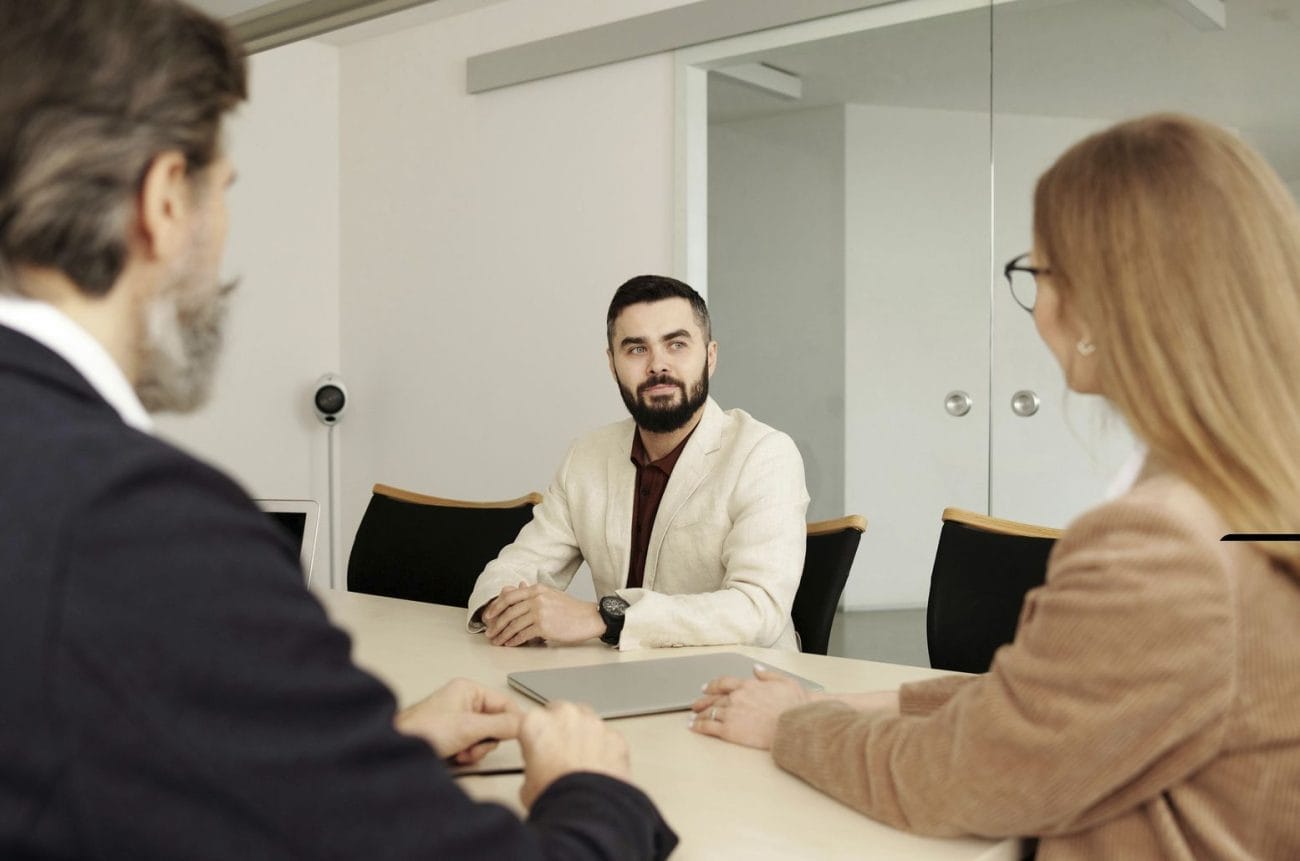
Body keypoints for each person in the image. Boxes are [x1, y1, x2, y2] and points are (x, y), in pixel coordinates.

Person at [0, 2, 675, 858]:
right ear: (165, 199)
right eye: (224, 195)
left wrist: (357, 752)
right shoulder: (141, 524)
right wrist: (597, 791)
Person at [688, 114, 1300, 859]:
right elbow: (1059, 704)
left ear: (1102, 296)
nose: (1036, 302)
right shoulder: (1246, 491)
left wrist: (790, 726)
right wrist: (852, 700)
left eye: (1037, 270)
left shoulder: (1165, 541)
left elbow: (960, 779)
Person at [467, 275, 810, 650]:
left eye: (676, 344)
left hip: (742, 688)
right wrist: (502, 609)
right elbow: (516, 567)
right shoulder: (586, 457)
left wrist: (607, 617)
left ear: (710, 357)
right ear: (612, 364)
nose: (657, 365)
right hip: (619, 680)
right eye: (635, 350)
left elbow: (758, 611)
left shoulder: (765, 455)